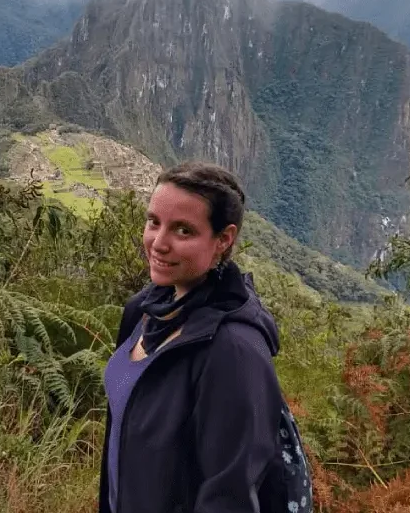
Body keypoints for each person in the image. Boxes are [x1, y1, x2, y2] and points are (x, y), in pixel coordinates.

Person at [99, 161, 287, 513]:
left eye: (183, 231)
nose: (159, 243)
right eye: (154, 222)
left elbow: (229, 497)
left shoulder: (234, 351)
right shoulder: (142, 311)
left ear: (223, 239)